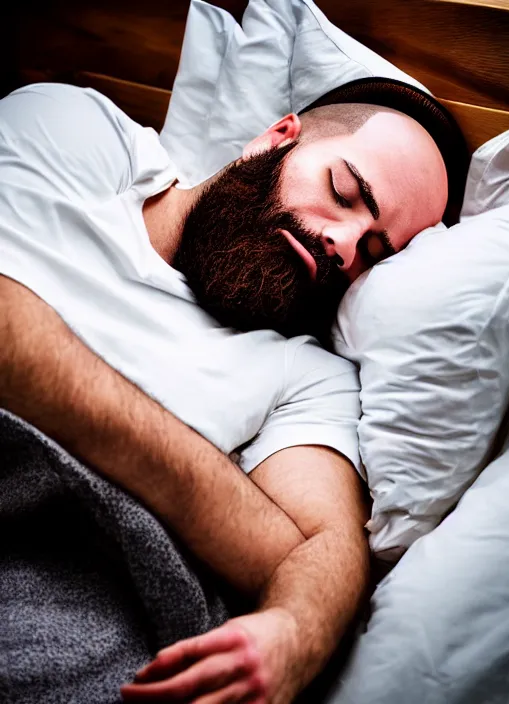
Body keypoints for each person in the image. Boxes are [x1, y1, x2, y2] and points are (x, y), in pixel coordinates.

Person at [0, 78, 465, 704]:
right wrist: (213, 498)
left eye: (376, 255)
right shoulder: (81, 133)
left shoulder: (310, 376)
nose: (345, 245)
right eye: (344, 191)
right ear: (275, 139)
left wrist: (294, 634)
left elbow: (321, 552)